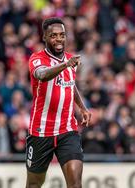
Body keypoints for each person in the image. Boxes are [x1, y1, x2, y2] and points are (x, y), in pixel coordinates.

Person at [25, 17, 91, 188]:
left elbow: (70, 85)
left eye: (62, 35)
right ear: (45, 38)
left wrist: (82, 107)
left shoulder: (71, 60)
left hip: (67, 130)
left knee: (75, 183)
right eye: (53, 36)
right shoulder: (36, 59)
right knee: (34, 183)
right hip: (41, 131)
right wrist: (65, 65)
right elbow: (42, 75)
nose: (59, 39)